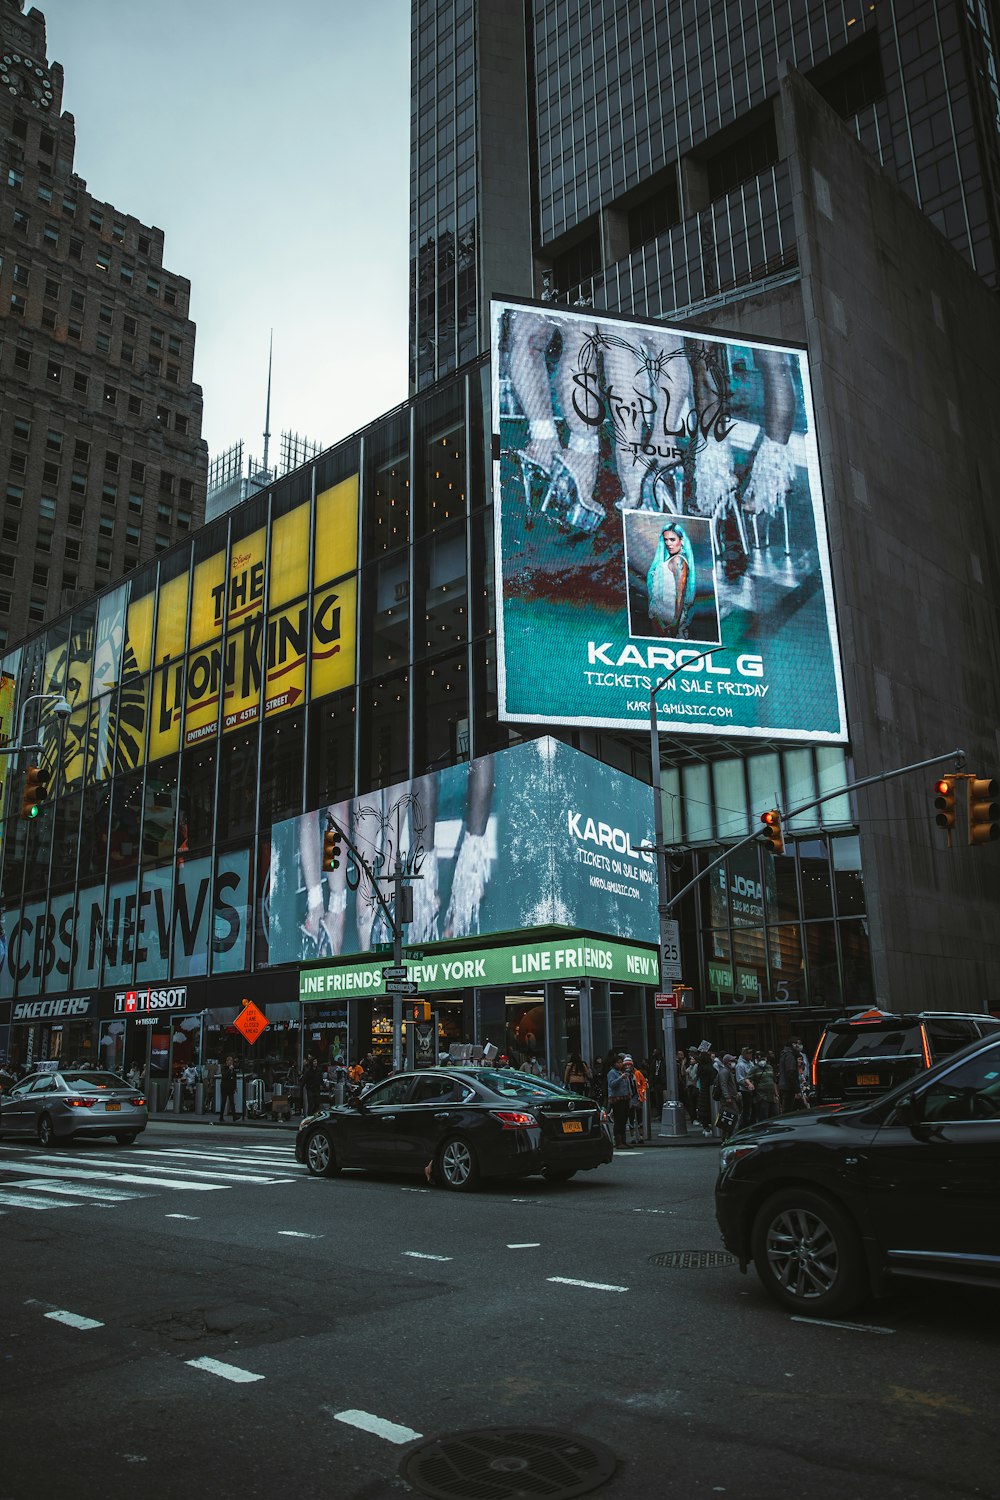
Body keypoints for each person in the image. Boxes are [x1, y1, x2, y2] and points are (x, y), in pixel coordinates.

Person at [645, 523, 696, 636]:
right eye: (666, 540)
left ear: (681, 541)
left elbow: (680, 593)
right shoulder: (668, 560)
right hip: (660, 617)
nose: (668, 543)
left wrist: (675, 622)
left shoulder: (679, 560)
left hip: (670, 621)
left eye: (672, 540)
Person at [605, 1052, 631, 1148]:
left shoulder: (622, 1072)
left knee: (624, 1119)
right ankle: (618, 1141)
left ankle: (623, 1141)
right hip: (617, 1099)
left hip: (625, 1098)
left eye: (621, 1062)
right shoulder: (612, 1073)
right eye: (618, 1063)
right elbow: (611, 1084)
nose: (620, 1064)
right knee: (618, 1120)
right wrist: (620, 1078)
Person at [715, 1054, 740, 1141]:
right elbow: (723, 1084)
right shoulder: (724, 1072)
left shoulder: (727, 1071)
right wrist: (727, 1096)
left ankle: (727, 1137)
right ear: (727, 1062)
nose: (733, 1062)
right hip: (728, 1099)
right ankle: (727, 1138)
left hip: (730, 1097)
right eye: (731, 1061)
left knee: (728, 1117)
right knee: (730, 1117)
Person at [695, 1040, 716, 1137]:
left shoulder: (700, 1068)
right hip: (710, 1090)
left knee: (703, 1108)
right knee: (710, 1108)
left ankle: (705, 1127)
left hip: (702, 1089)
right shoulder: (711, 1069)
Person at [750, 1051, 778, 1122]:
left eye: (763, 1059)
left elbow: (773, 1081)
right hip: (761, 1096)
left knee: (775, 1114)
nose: (762, 1061)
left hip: (771, 1096)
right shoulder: (755, 1068)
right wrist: (750, 1084)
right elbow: (747, 1079)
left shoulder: (770, 1067)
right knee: (763, 1115)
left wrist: (776, 1094)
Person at [778, 1037, 804, 1114]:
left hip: (786, 1086)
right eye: (798, 1044)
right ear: (793, 1044)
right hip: (788, 1087)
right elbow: (791, 1073)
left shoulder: (786, 1054)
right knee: (789, 1110)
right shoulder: (789, 1056)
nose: (800, 1046)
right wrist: (797, 1090)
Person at [734, 1046, 756, 1127]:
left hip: (753, 1089)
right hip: (745, 1091)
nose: (751, 1055)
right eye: (749, 1053)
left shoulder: (751, 1063)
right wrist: (748, 1084)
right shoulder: (740, 1065)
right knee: (746, 1110)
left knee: (753, 1109)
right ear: (744, 1054)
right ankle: (744, 1126)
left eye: (751, 1053)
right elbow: (739, 1079)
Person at [218, 1055, 239, 1124]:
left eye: (231, 1061)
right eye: (229, 1061)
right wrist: (229, 1069)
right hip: (224, 1087)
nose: (231, 1062)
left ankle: (234, 1117)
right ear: (227, 1062)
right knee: (223, 1102)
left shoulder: (233, 1069)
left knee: (232, 1102)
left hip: (230, 1088)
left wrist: (235, 1087)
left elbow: (234, 1078)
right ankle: (221, 1116)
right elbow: (224, 1075)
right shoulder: (224, 1068)